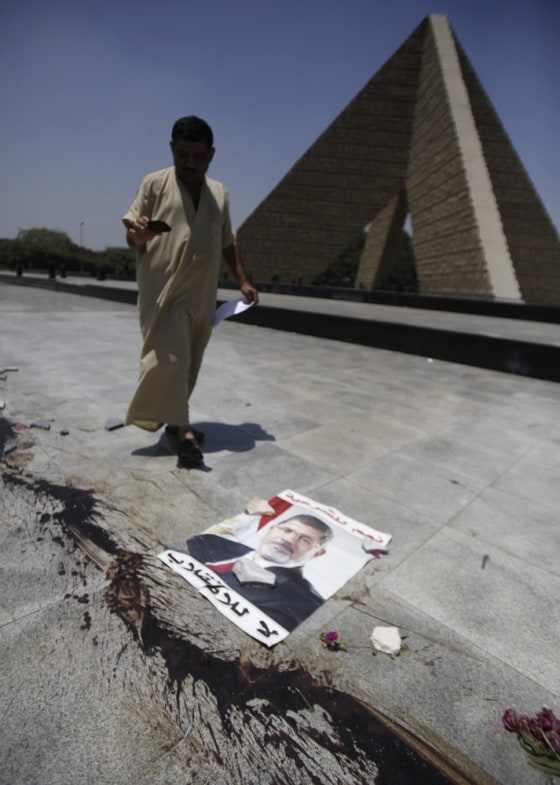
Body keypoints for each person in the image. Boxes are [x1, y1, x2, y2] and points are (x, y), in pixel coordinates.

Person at [122, 116, 258, 468]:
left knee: (189, 362)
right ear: (172, 150)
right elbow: (132, 236)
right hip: (163, 292)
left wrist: (242, 280)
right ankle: (183, 432)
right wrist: (141, 234)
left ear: (211, 155)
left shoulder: (220, 193)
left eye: (198, 156)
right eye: (183, 154)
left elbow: (228, 242)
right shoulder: (154, 184)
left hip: (201, 293)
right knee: (172, 358)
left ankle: (173, 421)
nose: (189, 163)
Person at [183, 515, 333, 631]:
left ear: (317, 554)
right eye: (287, 530)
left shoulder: (304, 602)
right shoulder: (210, 543)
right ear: (271, 528)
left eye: (305, 540)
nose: (289, 539)